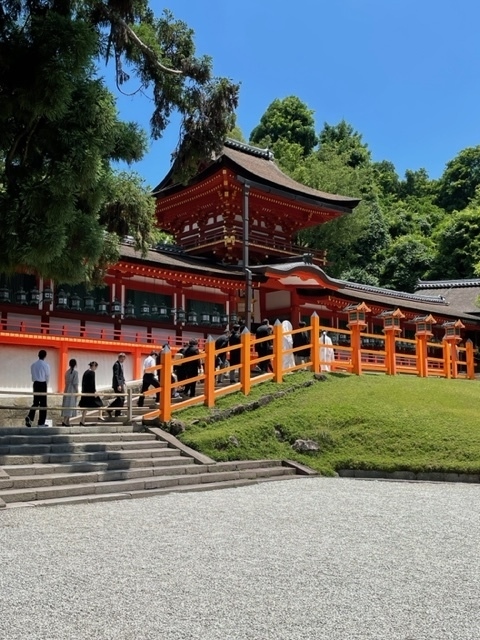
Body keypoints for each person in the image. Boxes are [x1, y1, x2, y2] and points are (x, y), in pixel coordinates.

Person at [25, 349, 50, 427]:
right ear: (45, 356)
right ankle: (41, 422)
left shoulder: (33, 365)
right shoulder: (46, 365)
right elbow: (47, 376)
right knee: (43, 404)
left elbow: (32, 375)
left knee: (35, 402)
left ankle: (30, 416)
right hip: (42, 383)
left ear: (38, 355)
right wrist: (46, 384)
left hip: (35, 383)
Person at [107, 353, 126, 418]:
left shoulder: (120, 364)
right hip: (118, 385)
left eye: (124, 358)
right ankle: (110, 409)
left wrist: (123, 382)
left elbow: (121, 375)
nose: (123, 359)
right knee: (120, 398)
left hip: (121, 384)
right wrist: (118, 385)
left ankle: (116, 412)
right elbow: (116, 375)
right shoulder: (116, 364)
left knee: (122, 398)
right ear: (119, 358)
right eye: (122, 358)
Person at [61, 358, 79, 426]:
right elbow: (75, 383)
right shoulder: (75, 373)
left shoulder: (67, 372)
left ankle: (67, 421)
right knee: (70, 405)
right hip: (72, 390)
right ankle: (65, 421)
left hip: (67, 389)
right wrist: (77, 391)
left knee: (66, 405)